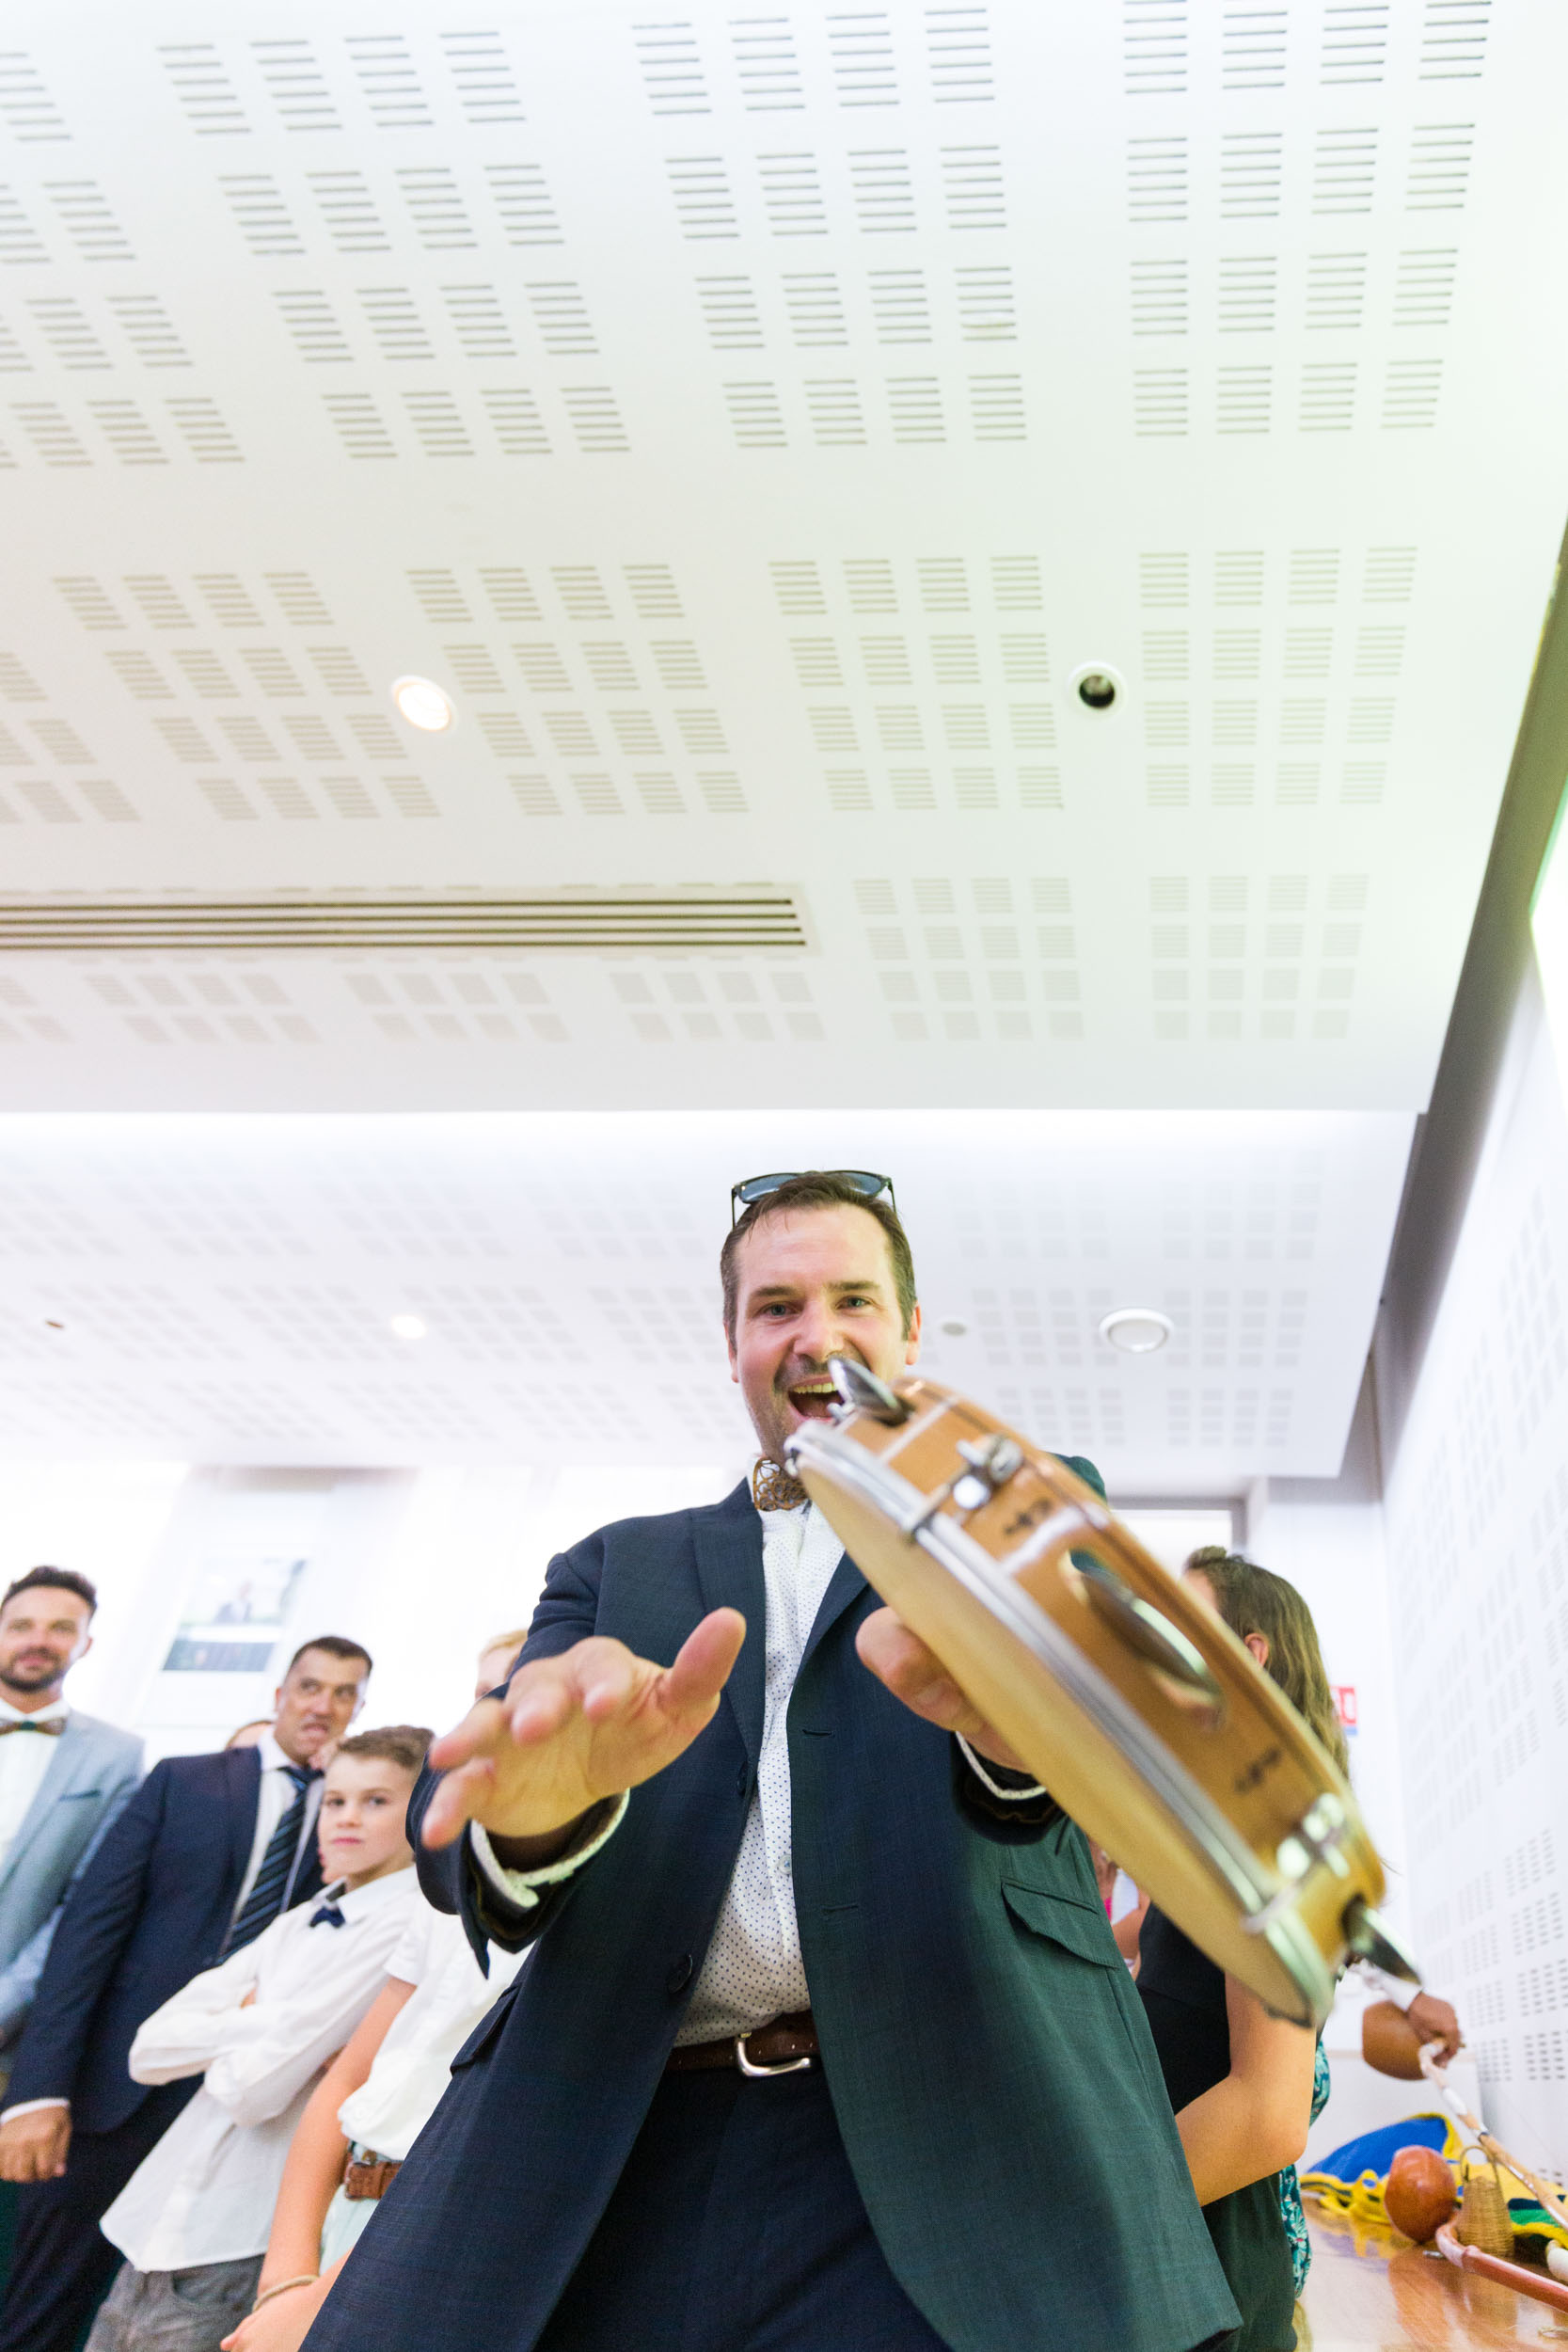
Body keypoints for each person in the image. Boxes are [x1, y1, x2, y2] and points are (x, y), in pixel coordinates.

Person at [303, 1169, 1240, 2352]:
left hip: (952, 2133)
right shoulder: (612, 1568)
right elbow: (483, 1808)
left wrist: (1021, 1741)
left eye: (854, 1300)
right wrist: (539, 1818)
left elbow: (1083, 1751)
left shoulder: (1020, 1507)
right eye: (776, 1306)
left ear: (909, 1332)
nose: (818, 1334)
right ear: (735, 1345)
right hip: (620, 2139)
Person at [0, 1637, 372, 2352]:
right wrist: (40, 2091)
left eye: (344, 1693)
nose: (323, 1706)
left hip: (239, 2116)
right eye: (310, 1687)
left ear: (358, 1709)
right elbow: (86, 1938)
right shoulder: (186, 1780)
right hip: (113, 2095)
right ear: (279, 1695)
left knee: (165, 2320)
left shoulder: (357, 1816)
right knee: (42, 2307)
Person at [220, 1641, 536, 2352]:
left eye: (515, 1690)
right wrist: (288, 2276)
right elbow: (350, 2076)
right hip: (345, 2207)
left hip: (431, 2230)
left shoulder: (601, 1883)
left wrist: (329, 2293)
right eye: (481, 1694)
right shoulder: (444, 1882)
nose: (494, 1713)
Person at [83, 1728, 430, 2352]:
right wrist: (273, 2024)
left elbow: (253, 2093)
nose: (347, 1817)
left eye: (377, 1801)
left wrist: (224, 2033)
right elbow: (147, 2050)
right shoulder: (298, 1917)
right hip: (154, 2221)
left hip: (237, 2236)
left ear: (424, 1810)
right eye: (334, 1800)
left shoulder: (407, 1922)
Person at [1136, 1549, 1338, 2352]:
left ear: (1245, 1656)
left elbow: (1267, 2114)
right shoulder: (1226, 1821)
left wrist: (1098, 2215)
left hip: (1212, 2252)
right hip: (1193, 2239)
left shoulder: (1275, 1824)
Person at [0, 1570, 143, 2065]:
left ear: (86, 1643)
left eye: (61, 1628)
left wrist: (4, 2007)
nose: (38, 1640)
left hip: (10, 2034)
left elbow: (85, 1902)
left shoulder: (117, 1757)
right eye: (21, 1625)